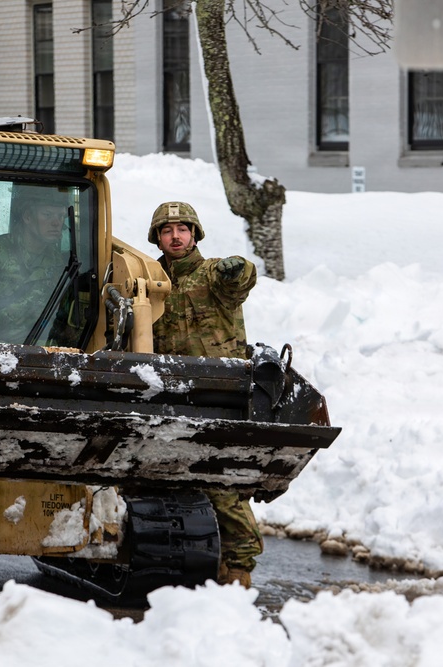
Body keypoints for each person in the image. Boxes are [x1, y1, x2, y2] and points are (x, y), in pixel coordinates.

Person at [148, 200, 263, 588]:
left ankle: (238, 570)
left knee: (222, 483)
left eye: (183, 229)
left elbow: (241, 277)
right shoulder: (149, 279)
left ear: (194, 235)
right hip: (166, 394)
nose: (175, 236)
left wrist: (237, 268)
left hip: (217, 393)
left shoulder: (212, 273)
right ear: (157, 238)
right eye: (167, 230)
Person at [0, 188, 70, 344]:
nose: (56, 223)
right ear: (27, 217)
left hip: (39, 347)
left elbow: (60, 314)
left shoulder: (58, 261)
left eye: (61, 216)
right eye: (47, 215)